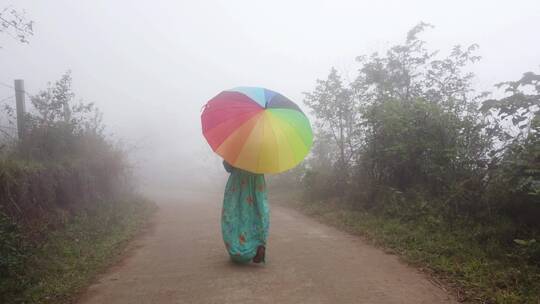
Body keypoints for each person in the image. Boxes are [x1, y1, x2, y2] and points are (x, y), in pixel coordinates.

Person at [221, 160, 269, 263]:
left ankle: (237, 249)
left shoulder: (235, 146)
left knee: (233, 214)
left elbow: (228, 167)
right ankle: (258, 244)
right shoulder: (262, 147)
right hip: (256, 180)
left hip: (238, 182)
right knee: (258, 212)